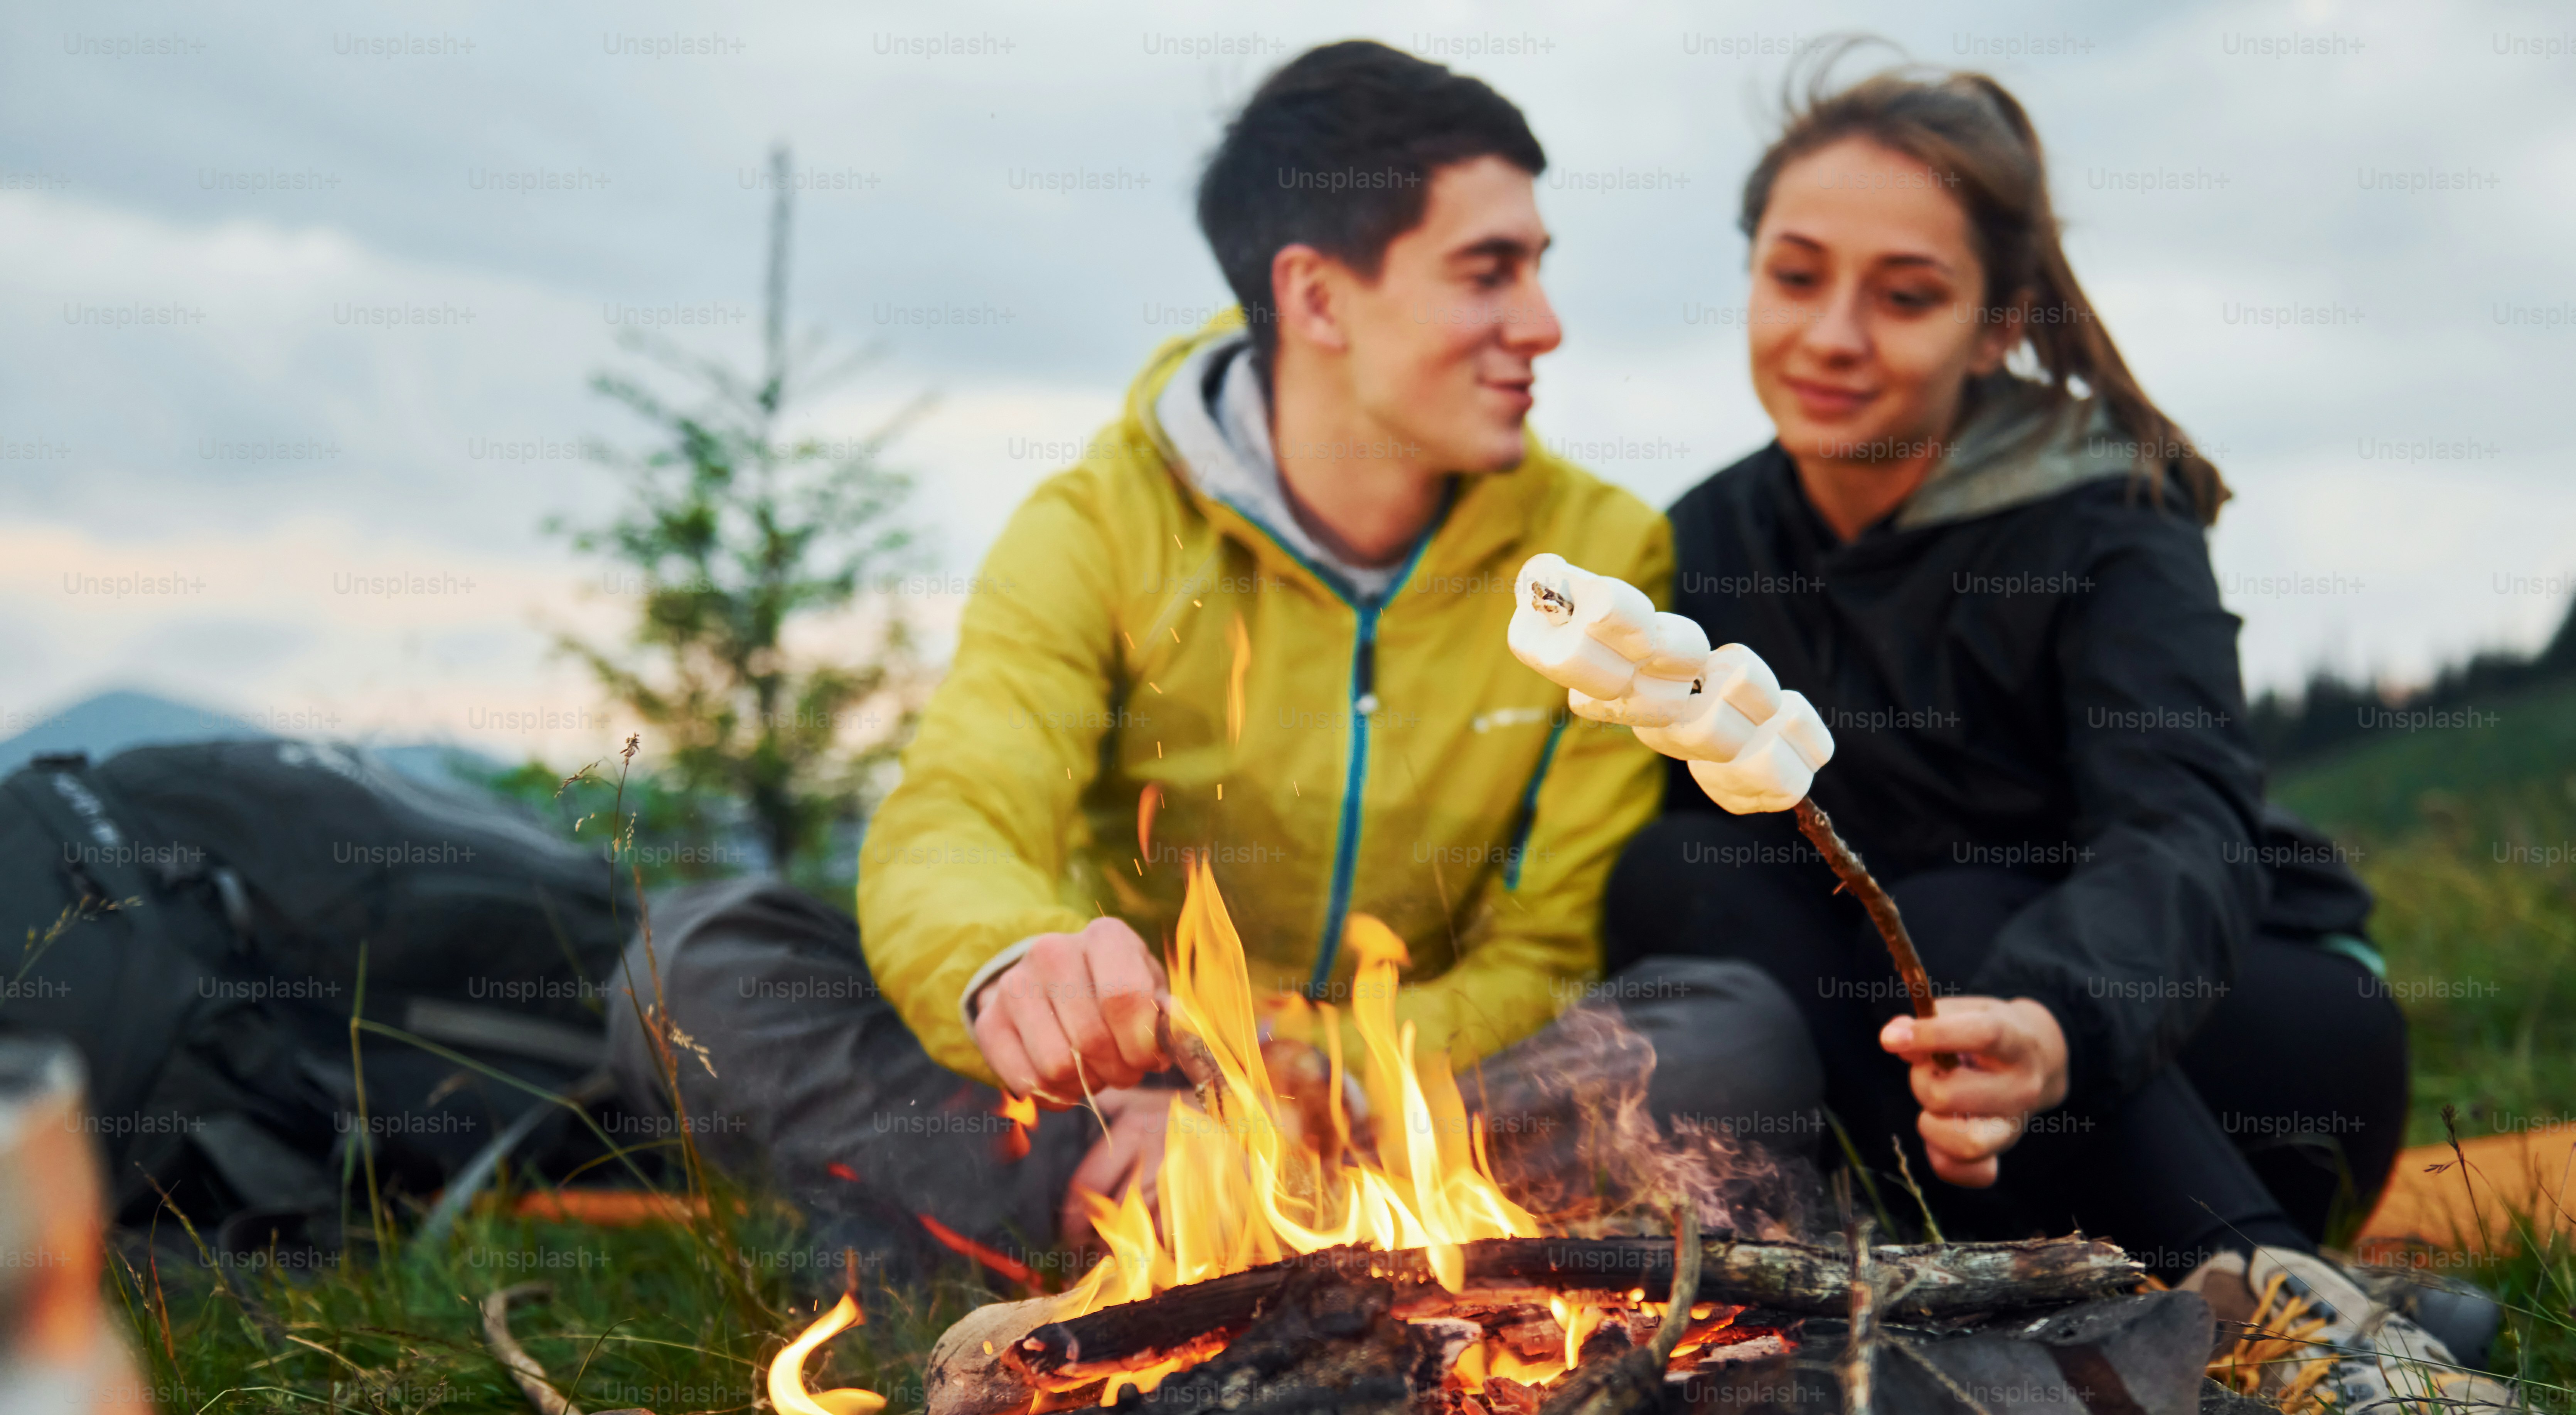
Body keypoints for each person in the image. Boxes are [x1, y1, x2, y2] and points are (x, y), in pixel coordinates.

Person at [609, 42, 1816, 1289]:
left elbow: (1548, 945)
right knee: (690, 963)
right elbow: (961, 807)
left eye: (1538, 268)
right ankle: (1162, 1210)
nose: (1543, 324)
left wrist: (1286, 1090)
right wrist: (1019, 972)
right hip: (1112, 1096)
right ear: (1317, 299)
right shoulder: (1100, 525)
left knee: (1733, 1033)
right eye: (1487, 271)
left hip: (1397, 1091)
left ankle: (1087, 1230)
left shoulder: (1596, 555)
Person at [1603, 51, 2532, 1415]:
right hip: (1949, 1086)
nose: (1832, 334)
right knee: (1682, 869)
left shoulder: (2110, 514)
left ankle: (2299, 1312)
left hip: (2246, 1038)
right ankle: (2099, 1300)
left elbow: (2185, 829)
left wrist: (2048, 1018)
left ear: (1997, 328)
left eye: (1905, 295)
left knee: (1968, 909)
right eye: (1797, 276)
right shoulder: (1713, 544)